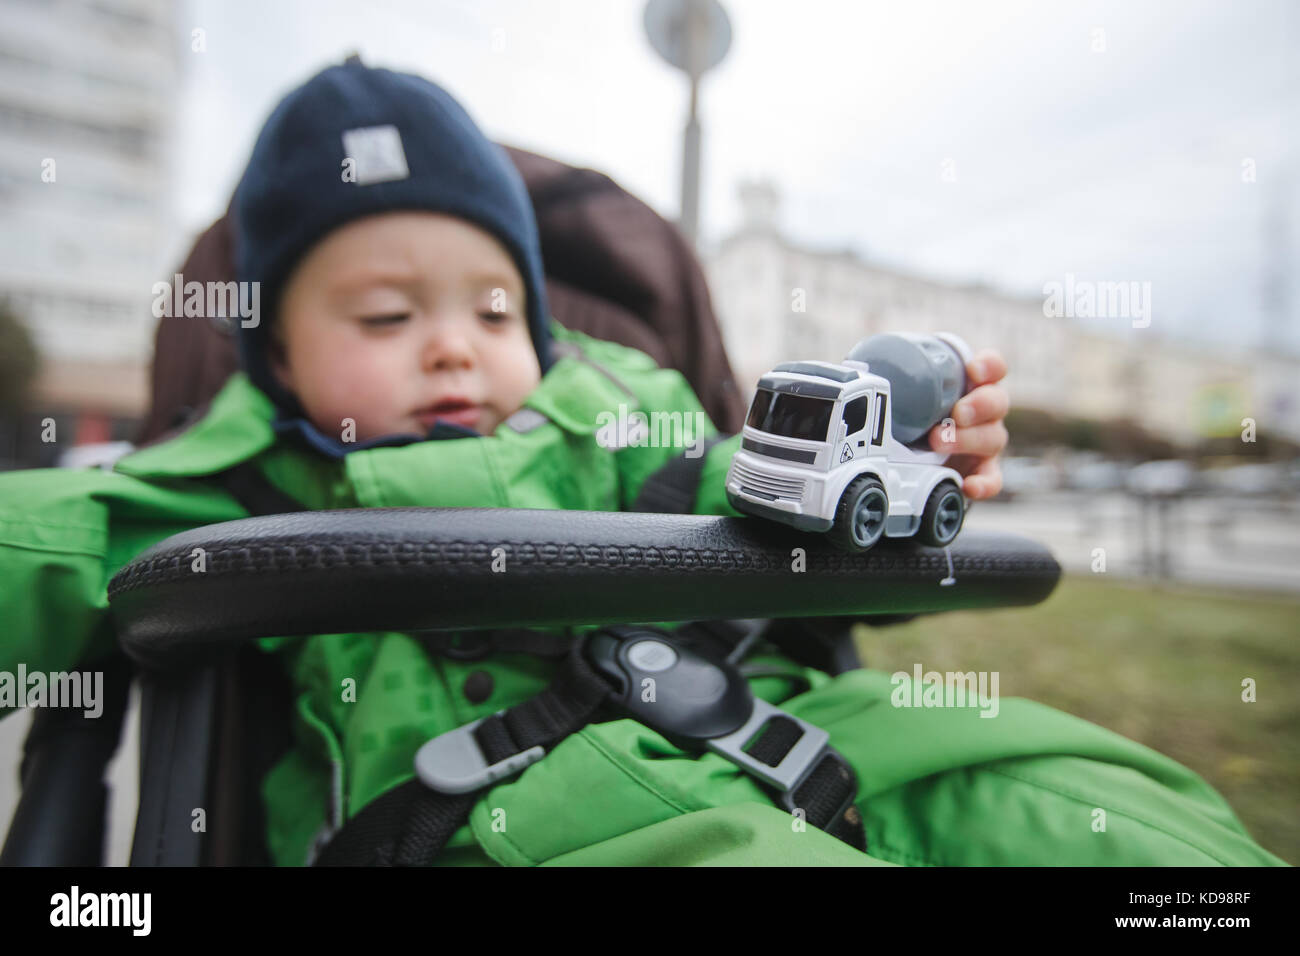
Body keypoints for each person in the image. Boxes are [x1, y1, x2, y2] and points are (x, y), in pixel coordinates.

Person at [0, 60, 1285, 867]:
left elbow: (795, 514)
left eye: (497, 313)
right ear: (273, 356)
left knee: (1092, 803)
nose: (452, 345)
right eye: (385, 319)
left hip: (812, 724)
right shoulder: (231, 485)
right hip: (502, 808)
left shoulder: (634, 416)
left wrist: (905, 482)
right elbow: (39, 541)